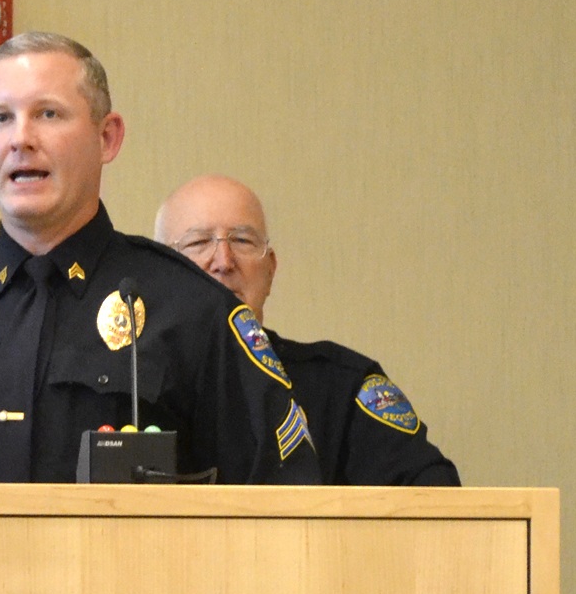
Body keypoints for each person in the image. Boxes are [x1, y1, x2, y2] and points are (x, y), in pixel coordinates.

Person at [0, 36, 318, 485]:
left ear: (107, 138)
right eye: (0, 118)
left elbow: (283, 505)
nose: (20, 138)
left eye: (47, 114)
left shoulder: (192, 310)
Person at [154, 175, 460, 486]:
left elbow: (437, 498)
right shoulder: (132, 390)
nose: (224, 261)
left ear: (270, 270)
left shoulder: (343, 388)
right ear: (162, 274)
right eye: (198, 243)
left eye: (242, 241)